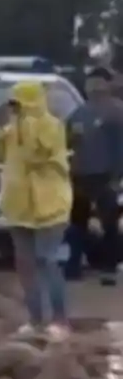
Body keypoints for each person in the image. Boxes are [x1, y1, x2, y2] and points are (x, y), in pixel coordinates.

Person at [0, 82, 72, 340]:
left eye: (17, 103)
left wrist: (25, 122)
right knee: (25, 264)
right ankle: (35, 320)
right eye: (11, 103)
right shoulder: (11, 129)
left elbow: (38, 154)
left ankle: (60, 321)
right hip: (18, 206)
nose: (14, 108)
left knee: (47, 260)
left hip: (49, 206)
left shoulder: (51, 125)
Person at [65, 66, 123, 284]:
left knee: (109, 222)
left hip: (106, 176)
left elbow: (121, 146)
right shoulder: (80, 112)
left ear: (107, 85)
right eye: (91, 83)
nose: (93, 87)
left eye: (98, 82)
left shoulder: (117, 111)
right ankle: (74, 264)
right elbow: (67, 141)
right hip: (79, 175)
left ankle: (110, 266)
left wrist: (117, 177)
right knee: (77, 222)